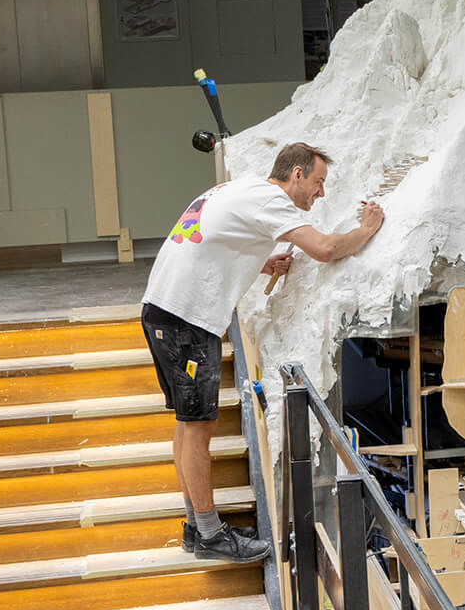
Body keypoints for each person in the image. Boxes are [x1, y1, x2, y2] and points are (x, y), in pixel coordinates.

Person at [141, 142, 385, 564]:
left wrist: (263, 264)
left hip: (164, 310)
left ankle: (196, 528)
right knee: (198, 427)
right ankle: (210, 534)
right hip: (186, 318)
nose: (321, 193)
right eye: (318, 182)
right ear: (296, 174)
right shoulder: (272, 201)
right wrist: (366, 230)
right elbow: (325, 249)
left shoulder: (243, 190)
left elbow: (214, 240)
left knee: (187, 423)